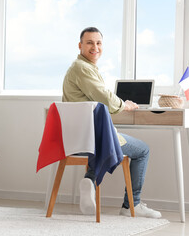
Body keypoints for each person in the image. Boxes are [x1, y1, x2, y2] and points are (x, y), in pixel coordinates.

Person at [62, 27, 161, 218]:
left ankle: (90, 180)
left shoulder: (81, 68)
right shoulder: (82, 68)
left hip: (75, 139)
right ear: (80, 45)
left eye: (98, 43)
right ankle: (132, 205)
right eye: (90, 42)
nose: (95, 47)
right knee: (142, 150)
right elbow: (104, 97)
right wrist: (125, 104)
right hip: (88, 140)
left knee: (100, 138)